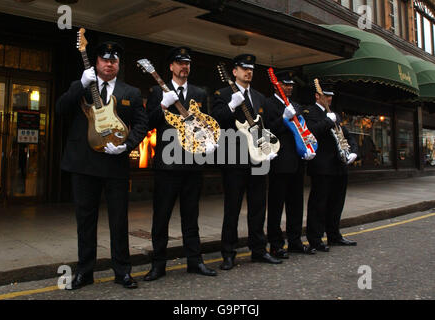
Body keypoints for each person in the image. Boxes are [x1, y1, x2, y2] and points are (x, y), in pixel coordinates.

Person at [56, 41, 149, 289]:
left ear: (118, 64)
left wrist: (127, 145)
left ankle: (123, 272)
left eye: (114, 60)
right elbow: (60, 108)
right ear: (96, 62)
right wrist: (82, 84)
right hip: (84, 165)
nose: (109, 64)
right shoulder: (82, 87)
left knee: (119, 221)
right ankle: (85, 272)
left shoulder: (131, 93)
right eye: (105, 60)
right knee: (85, 221)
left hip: (115, 165)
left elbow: (142, 123)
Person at [143, 46, 217, 281]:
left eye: (187, 63)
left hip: (193, 165)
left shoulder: (198, 92)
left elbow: (204, 123)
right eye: (179, 62)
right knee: (161, 217)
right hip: (167, 166)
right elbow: (148, 123)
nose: (184, 66)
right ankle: (158, 265)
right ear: (171, 67)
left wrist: (209, 141)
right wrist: (163, 104)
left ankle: (195, 261)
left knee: (191, 217)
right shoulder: (157, 91)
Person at [211, 53, 281, 270]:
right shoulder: (222, 94)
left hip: (258, 159)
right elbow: (214, 121)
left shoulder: (260, 97)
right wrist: (231, 106)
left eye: (251, 68)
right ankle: (228, 253)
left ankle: (259, 250)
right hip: (234, 159)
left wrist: (269, 147)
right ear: (234, 72)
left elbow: (265, 126)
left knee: (259, 207)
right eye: (243, 68)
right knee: (232, 208)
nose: (248, 72)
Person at [262, 70, 315, 258]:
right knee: (276, 205)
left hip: (297, 161)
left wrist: (309, 147)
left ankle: (295, 241)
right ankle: (276, 244)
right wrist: (283, 119)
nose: (289, 87)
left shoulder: (297, 105)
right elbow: (267, 129)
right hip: (279, 160)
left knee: (296, 204)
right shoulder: (268, 104)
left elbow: (303, 130)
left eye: (291, 84)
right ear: (277, 85)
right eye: (286, 84)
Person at [303, 81, 358, 253]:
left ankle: (334, 235)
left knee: (336, 203)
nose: (329, 99)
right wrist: (328, 121)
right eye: (326, 96)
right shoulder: (309, 112)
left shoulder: (335, 114)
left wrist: (354, 152)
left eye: (331, 96)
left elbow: (347, 136)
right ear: (317, 96)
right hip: (322, 166)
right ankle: (315, 239)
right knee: (319, 204)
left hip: (339, 166)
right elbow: (310, 132)